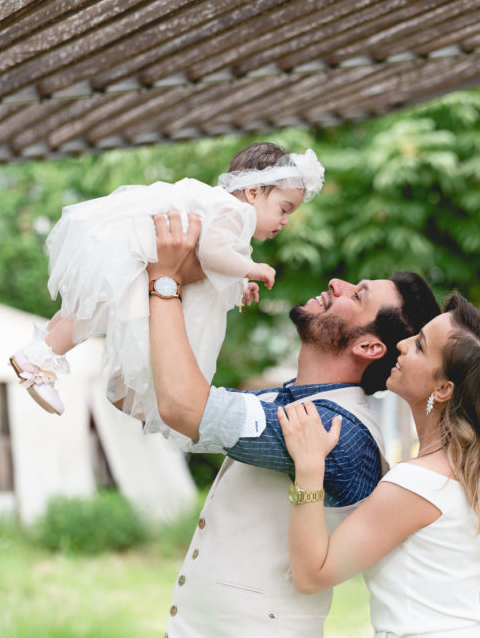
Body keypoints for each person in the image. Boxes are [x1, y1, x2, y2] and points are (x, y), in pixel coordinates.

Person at [143, 210, 441, 637]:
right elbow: (157, 402)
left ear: (369, 345)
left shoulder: (337, 431)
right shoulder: (285, 401)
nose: (337, 284)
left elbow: (182, 407)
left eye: (357, 296)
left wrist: (166, 283)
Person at [8, 143, 323, 444]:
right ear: (253, 192)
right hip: (141, 258)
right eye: (284, 209)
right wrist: (250, 269)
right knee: (92, 313)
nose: (285, 221)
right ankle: (37, 360)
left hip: (140, 255)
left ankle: (53, 356)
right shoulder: (234, 211)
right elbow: (213, 255)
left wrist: (241, 280)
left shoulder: (228, 214)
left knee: (91, 311)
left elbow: (212, 255)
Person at [277, 293, 480, 637]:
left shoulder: (419, 483)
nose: (401, 344)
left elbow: (312, 575)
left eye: (419, 345)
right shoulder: (474, 477)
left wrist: (310, 470)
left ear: (444, 388)